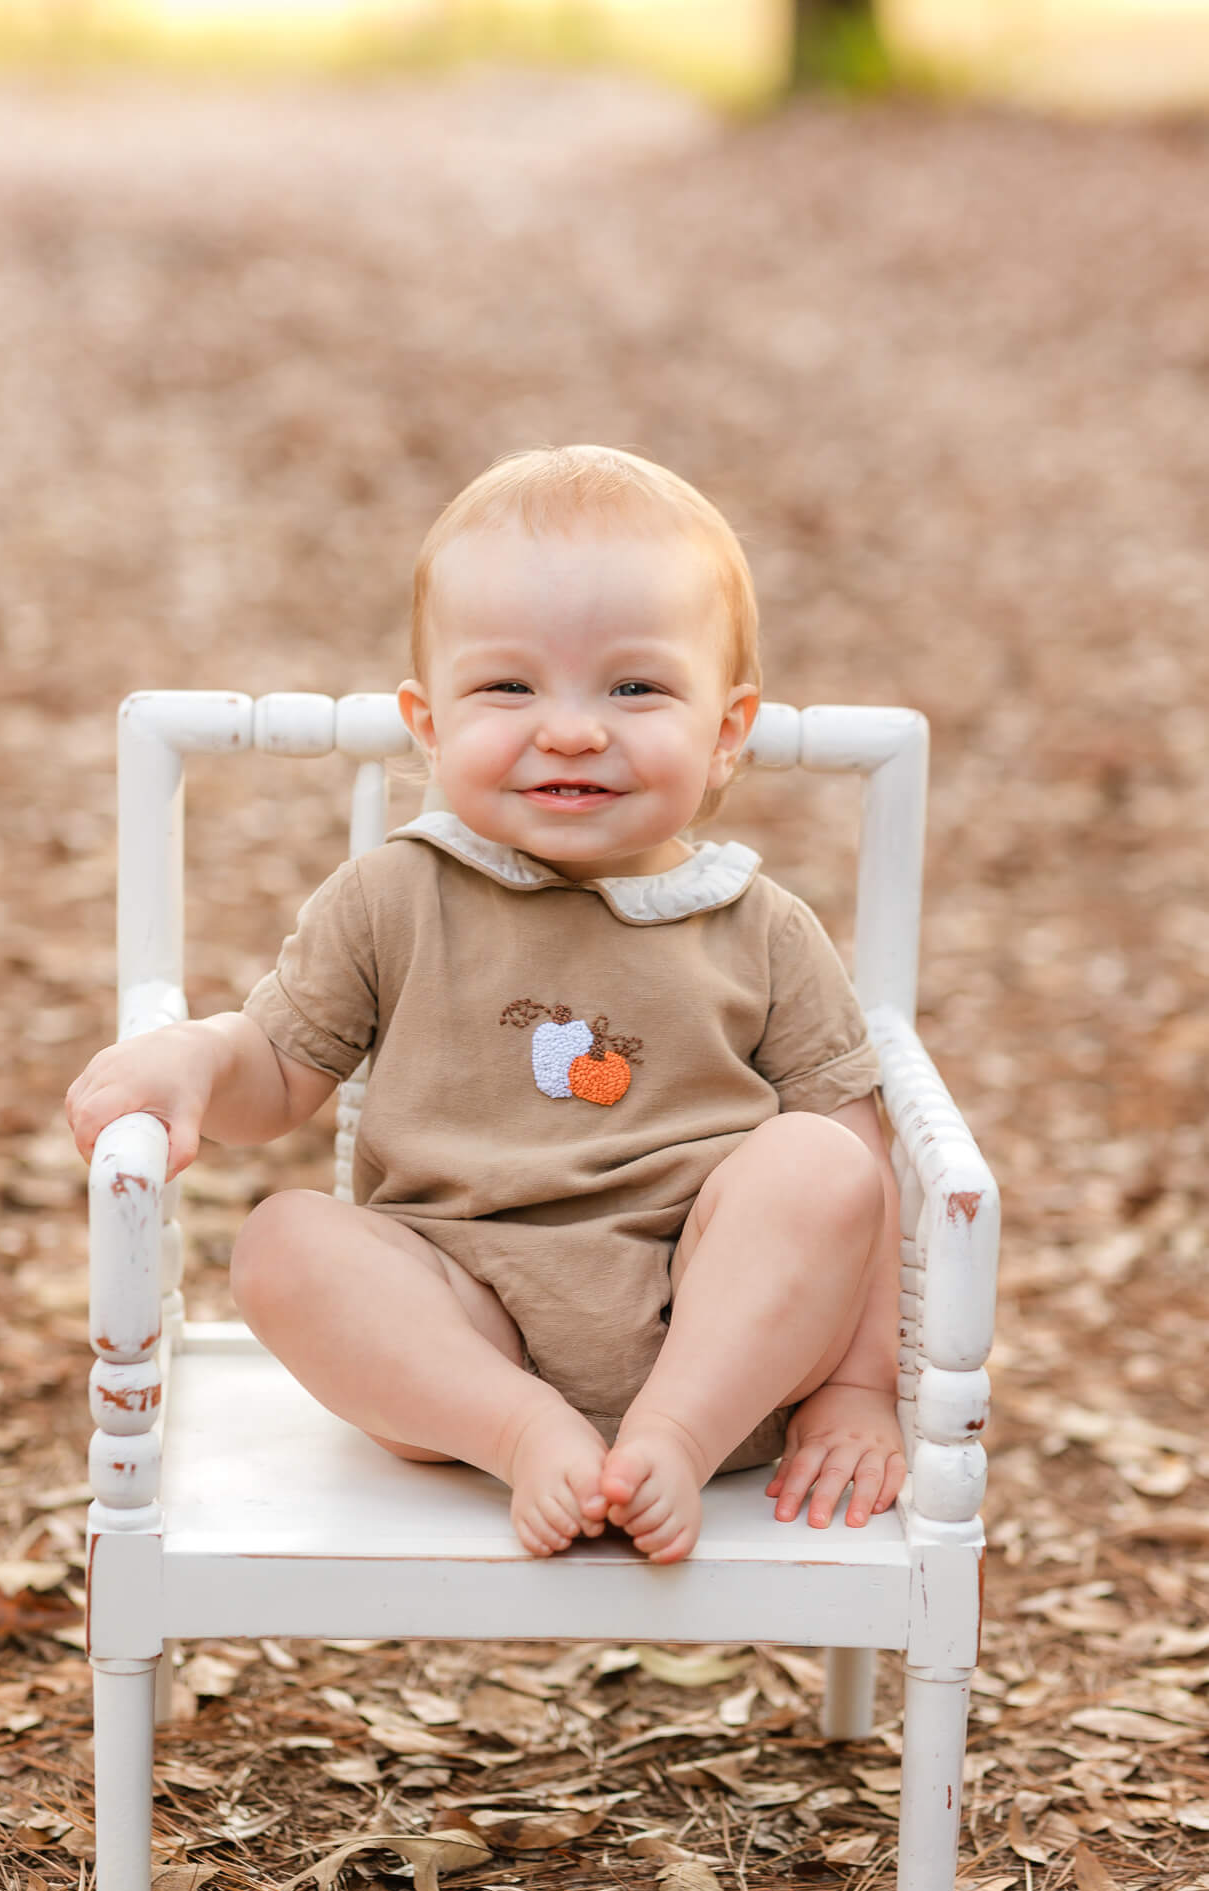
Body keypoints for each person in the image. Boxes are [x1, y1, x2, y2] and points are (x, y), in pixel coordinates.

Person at [66, 446, 905, 1566]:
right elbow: (277, 1070)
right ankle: (528, 1432)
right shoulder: (393, 895)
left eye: (635, 686)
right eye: (510, 686)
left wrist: (856, 1386)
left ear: (727, 730)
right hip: (455, 1339)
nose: (569, 728)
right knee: (283, 1242)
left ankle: (668, 1438)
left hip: (713, 1344)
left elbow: (859, 1178)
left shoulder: (758, 925)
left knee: (826, 1159)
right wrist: (196, 1060)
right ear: (427, 722)